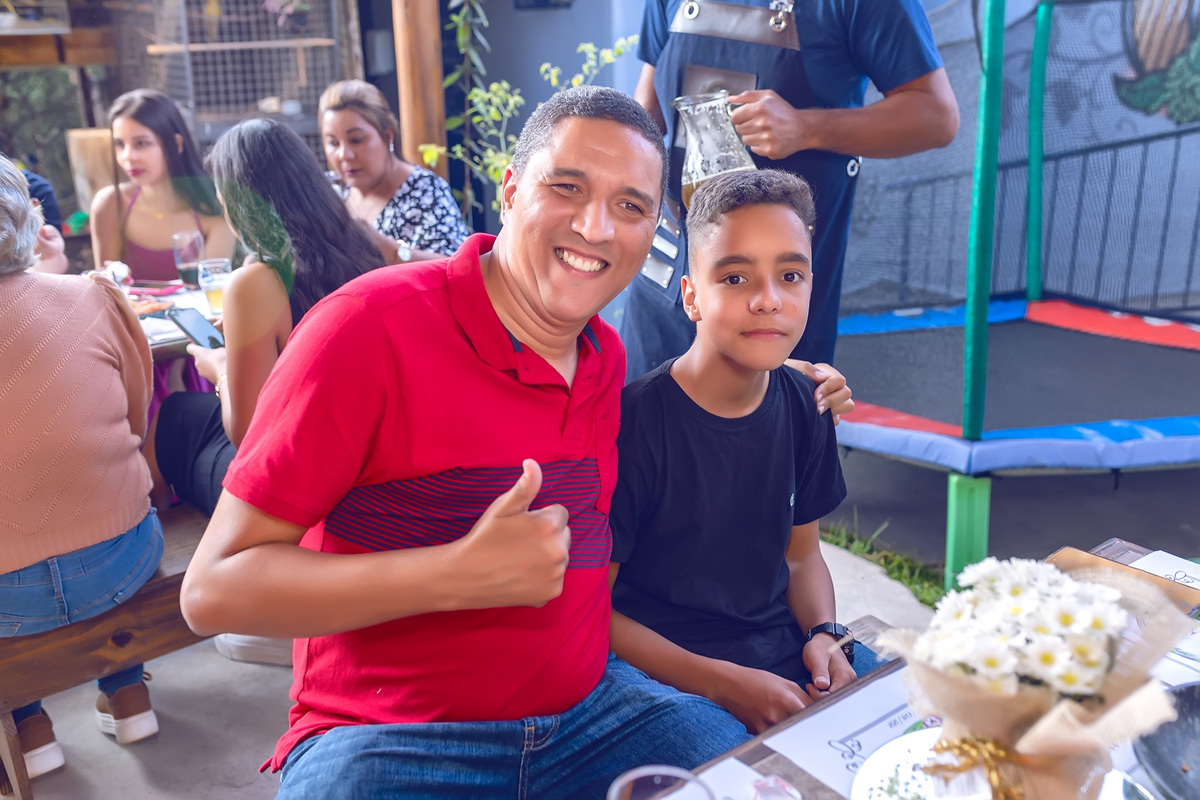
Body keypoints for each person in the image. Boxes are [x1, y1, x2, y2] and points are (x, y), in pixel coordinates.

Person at [180, 86, 758, 800]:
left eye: (631, 206)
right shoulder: (365, 328)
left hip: (594, 714)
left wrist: (773, 376)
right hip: (387, 735)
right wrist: (451, 575)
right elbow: (211, 591)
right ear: (510, 192)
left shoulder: (605, 358)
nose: (596, 227)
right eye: (567, 188)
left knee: (755, 778)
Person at [610, 169, 877, 738]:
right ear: (691, 296)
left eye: (790, 275)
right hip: (662, 671)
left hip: (778, 646)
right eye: (735, 277)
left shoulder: (810, 403)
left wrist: (824, 634)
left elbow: (802, 557)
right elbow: (593, 611)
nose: (768, 300)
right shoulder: (635, 425)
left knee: (903, 711)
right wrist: (722, 684)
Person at [146, 118, 386, 667]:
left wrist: (218, 367)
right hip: (364, 458)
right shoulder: (365, 248)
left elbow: (249, 435)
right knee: (183, 412)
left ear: (239, 201)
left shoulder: (258, 280)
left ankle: (168, 594)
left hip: (305, 489)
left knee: (177, 415)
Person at [621, 0, 959, 379]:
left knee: (771, 411)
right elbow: (645, 118)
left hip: (770, 303)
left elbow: (937, 116)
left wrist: (805, 128)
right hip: (664, 282)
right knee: (639, 408)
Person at [0, 156, 163, 789]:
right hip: (123, 561)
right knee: (110, 494)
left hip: (5, 603)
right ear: (28, 218)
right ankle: (127, 693)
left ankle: (29, 725)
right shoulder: (93, 295)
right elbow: (136, 419)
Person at [90, 88, 235, 281]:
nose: (128, 156)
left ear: (176, 144)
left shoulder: (215, 206)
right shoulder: (109, 204)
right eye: (120, 145)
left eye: (141, 143)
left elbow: (213, 289)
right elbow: (106, 289)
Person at [319, 79, 471, 264]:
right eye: (333, 143)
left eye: (356, 139)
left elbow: (457, 266)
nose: (344, 154)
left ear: (387, 136)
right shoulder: (329, 191)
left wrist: (389, 249)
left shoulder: (424, 190)